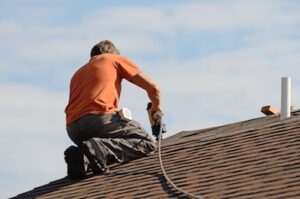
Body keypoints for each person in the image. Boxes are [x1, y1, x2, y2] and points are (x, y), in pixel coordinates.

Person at [64, 40, 163, 179]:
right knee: (145, 142)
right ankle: (99, 148)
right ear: (112, 52)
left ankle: (82, 159)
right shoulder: (113, 58)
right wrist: (156, 106)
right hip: (99, 119)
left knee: (96, 151)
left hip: (73, 129)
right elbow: (153, 88)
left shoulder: (78, 73)